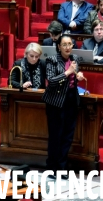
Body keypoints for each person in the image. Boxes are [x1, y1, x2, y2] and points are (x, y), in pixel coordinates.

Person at [43, 34, 85, 178]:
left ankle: (61, 167)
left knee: (67, 136)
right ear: (59, 46)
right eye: (65, 44)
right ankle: (51, 167)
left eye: (70, 44)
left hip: (71, 101)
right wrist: (68, 73)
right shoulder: (52, 60)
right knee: (56, 136)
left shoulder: (75, 60)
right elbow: (51, 81)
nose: (68, 47)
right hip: (55, 103)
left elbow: (74, 77)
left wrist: (78, 75)